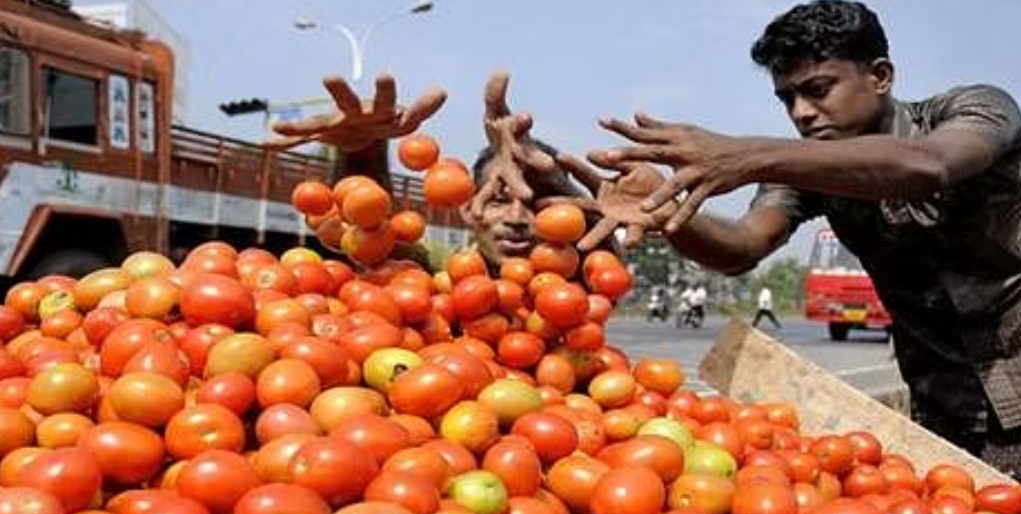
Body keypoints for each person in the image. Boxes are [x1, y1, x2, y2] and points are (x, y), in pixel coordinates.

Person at [564, 0, 1021, 475]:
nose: (802, 113)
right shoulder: (802, 168)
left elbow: (929, 165)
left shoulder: (977, 109)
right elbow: (742, 246)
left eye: (817, 90)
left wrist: (747, 155)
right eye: (787, 99)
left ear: (880, 76)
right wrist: (670, 207)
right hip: (946, 411)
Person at [268, 71, 602, 272]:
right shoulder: (441, 272)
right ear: (470, 209)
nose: (517, 217)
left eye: (537, 204)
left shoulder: (582, 283)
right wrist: (362, 151)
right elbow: (372, 231)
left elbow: (596, 250)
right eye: (499, 201)